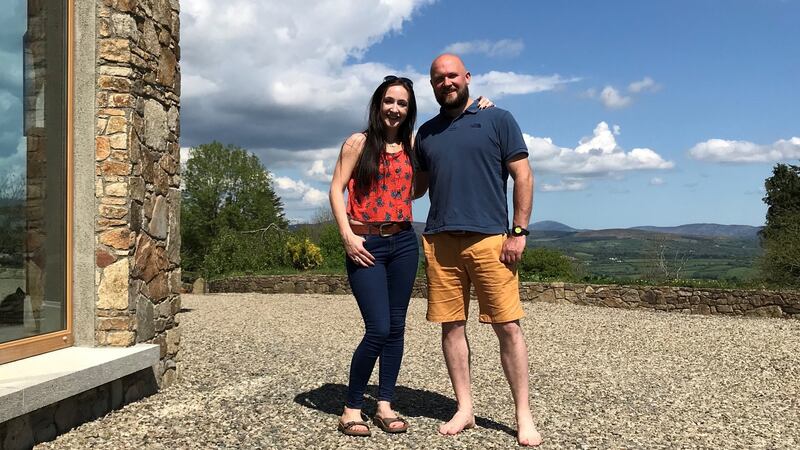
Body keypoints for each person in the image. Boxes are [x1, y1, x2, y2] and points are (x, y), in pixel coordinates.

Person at [329, 75, 493, 437]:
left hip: (403, 242)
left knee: (398, 327)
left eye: (402, 104)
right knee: (379, 328)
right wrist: (347, 236)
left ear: (409, 109)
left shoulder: (411, 145)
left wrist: (481, 107)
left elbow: (418, 187)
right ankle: (352, 407)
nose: (395, 109)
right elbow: (336, 189)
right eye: (389, 101)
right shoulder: (359, 143)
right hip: (366, 243)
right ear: (378, 104)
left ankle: (384, 404)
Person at [413, 54, 543, 447]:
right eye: (439, 78)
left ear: (467, 78)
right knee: (451, 326)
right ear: (432, 84)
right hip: (440, 240)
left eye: (452, 75)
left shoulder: (498, 118)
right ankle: (464, 409)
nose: (446, 82)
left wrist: (518, 232)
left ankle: (523, 415)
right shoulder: (426, 133)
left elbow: (523, 174)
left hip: (491, 239)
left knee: (508, 327)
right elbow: (416, 188)